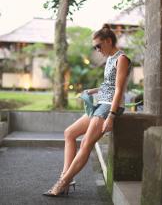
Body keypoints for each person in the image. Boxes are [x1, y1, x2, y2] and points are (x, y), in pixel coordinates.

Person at [43, 23, 131, 197]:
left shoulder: (122, 58)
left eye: (98, 46)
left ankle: (62, 184)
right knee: (69, 133)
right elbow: (109, 85)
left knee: (85, 144)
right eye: (95, 47)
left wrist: (111, 116)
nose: (97, 49)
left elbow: (119, 89)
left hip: (109, 107)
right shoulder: (110, 59)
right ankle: (67, 177)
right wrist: (91, 91)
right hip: (100, 104)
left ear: (108, 41)